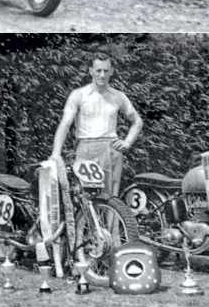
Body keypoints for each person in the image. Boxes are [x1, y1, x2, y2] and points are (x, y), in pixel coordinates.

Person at [50, 52, 143, 198]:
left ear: (111, 71)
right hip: (86, 149)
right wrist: (56, 153)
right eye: (98, 70)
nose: (102, 75)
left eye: (106, 71)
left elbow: (137, 121)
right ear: (90, 71)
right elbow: (65, 125)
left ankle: (112, 221)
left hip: (111, 149)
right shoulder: (78, 95)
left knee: (111, 199)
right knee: (86, 199)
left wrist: (127, 142)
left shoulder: (118, 96)